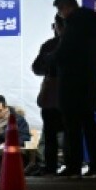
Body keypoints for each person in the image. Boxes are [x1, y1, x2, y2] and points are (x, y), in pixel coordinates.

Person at [52, 0, 96, 179]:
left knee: (72, 128)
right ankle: (95, 167)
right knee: (89, 125)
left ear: (66, 7)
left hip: (72, 83)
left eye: (61, 11)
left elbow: (64, 53)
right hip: (89, 81)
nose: (61, 15)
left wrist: (49, 58)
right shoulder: (93, 22)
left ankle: (74, 167)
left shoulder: (74, 23)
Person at [30, 15, 64, 176]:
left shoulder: (50, 45)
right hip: (74, 93)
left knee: (50, 132)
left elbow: (36, 68)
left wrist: (50, 68)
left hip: (52, 93)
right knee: (73, 132)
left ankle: (50, 166)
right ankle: (73, 166)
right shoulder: (80, 43)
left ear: (57, 25)